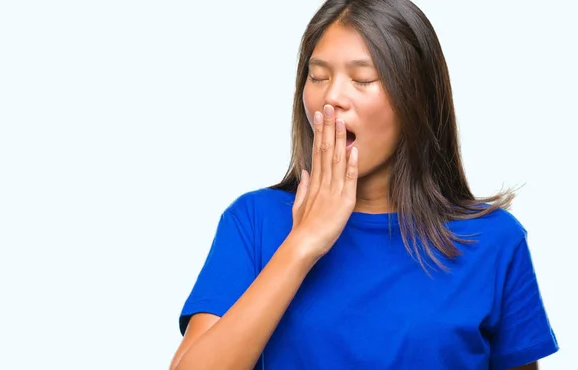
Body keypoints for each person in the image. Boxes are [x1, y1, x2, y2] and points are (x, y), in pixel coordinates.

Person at [170, 0, 559, 369]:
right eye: (318, 76)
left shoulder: (494, 241)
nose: (332, 97)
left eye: (362, 79)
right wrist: (303, 243)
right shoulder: (253, 222)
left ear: (415, 99)